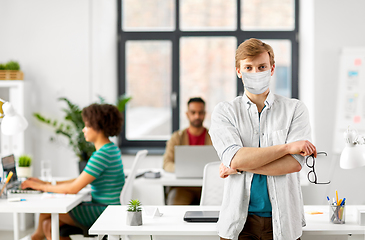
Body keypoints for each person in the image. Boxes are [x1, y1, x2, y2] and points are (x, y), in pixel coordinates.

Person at [209, 38, 317, 240]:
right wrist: (286, 148)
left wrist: (239, 165)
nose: (256, 73)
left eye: (262, 67)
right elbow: (235, 158)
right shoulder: (225, 112)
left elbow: (293, 164)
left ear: (272, 69)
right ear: (238, 71)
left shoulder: (295, 109)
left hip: (283, 223)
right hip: (237, 223)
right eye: (248, 67)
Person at [21, 103, 125, 240]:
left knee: (48, 211)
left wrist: (41, 187)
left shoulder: (102, 155)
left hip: (103, 210)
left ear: (98, 127)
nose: (83, 130)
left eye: (87, 126)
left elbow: (73, 188)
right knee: (48, 224)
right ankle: (36, 237)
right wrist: (47, 183)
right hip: (106, 207)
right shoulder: (111, 149)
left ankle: (35, 238)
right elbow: (80, 179)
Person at [163, 97, 212, 205]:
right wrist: (184, 169)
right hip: (183, 187)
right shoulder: (177, 137)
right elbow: (167, 163)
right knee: (175, 204)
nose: (197, 116)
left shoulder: (214, 137)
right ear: (187, 114)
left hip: (208, 186)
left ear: (205, 114)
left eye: (200, 112)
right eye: (193, 112)